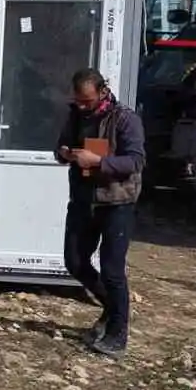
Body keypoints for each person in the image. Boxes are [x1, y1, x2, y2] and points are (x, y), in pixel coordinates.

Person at [54, 68, 145, 357]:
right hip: (83, 200)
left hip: (117, 202)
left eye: (87, 101)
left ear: (103, 93)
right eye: (78, 100)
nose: (82, 106)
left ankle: (119, 333)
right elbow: (60, 146)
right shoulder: (76, 115)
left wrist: (99, 161)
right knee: (75, 261)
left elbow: (136, 161)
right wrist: (65, 153)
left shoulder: (125, 119)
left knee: (112, 270)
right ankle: (111, 308)